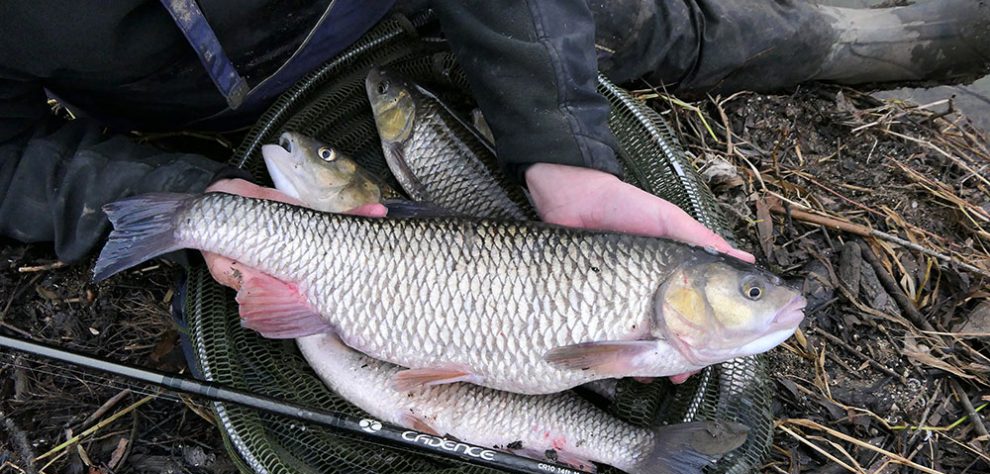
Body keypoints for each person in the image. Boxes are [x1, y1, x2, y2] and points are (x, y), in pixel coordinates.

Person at [1, 0, 987, 277]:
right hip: (198, 111)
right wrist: (176, 196)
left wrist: (562, 146)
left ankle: (848, 35)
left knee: (639, 23)